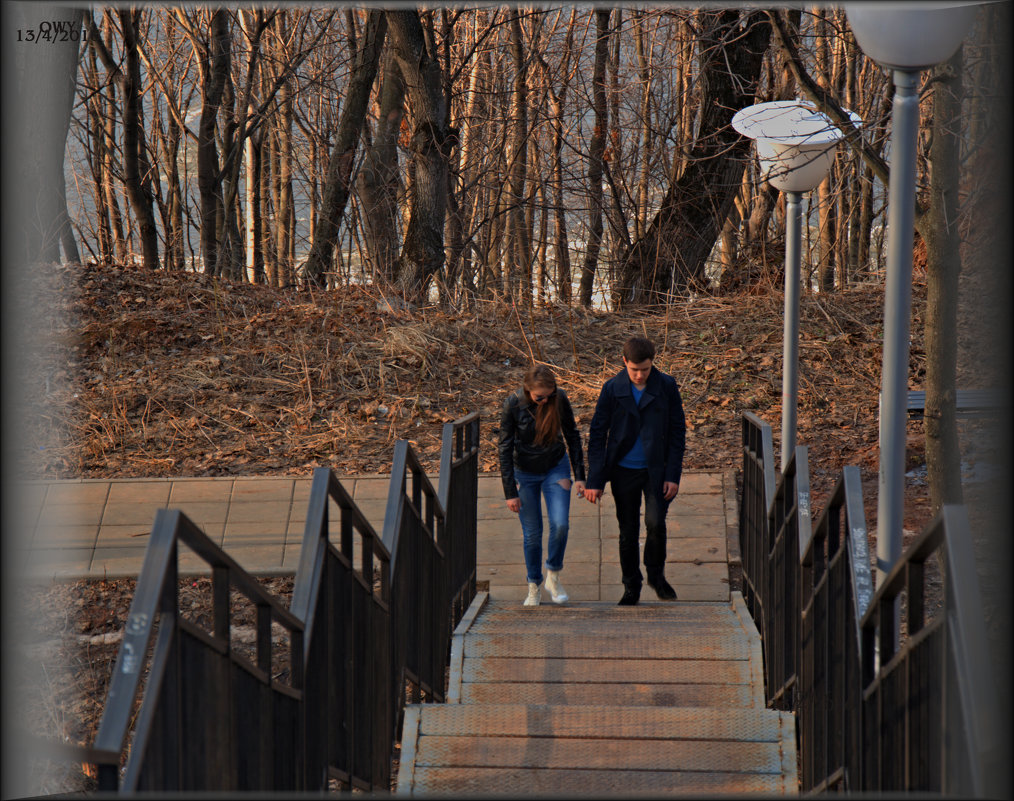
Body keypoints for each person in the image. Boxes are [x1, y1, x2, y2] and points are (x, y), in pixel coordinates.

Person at [584, 336, 687, 605]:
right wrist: (595, 479)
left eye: (645, 369)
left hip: (657, 470)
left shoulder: (666, 386)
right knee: (627, 530)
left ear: (653, 363)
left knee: (655, 524)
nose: (640, 375)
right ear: (624, 362)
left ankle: (656, 577)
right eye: (634, 370)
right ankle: (631, 586)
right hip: (622, 471)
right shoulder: (612, 388)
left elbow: (678, 432)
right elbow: (597, 434)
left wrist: (672, 475)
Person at [498, 365, 586, 606]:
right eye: (540, 397)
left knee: (560, 525)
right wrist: (510, 492)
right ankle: (534, 584)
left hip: (555, 468)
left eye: (549, 395)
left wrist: (580, 475)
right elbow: (504, 448)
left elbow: (572, 435)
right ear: (528, 390)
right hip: (523, 473)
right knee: (532, 535)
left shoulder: (559, 399)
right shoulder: (513, 404)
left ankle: (553, 576)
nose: (545, 400)